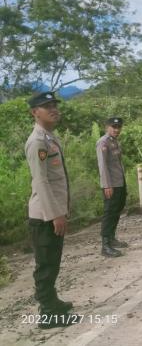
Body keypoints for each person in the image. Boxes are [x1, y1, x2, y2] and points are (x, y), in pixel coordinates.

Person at [25, 91, 77, 329]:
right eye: (47, 106)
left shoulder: (49, 138)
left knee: (52, 262)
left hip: (53, 212)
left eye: (55, 105)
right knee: (45, 265)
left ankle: (53, 302)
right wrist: (55, 214)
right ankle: (47, 313)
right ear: (35, 112)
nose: (54, 109)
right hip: (44, 216)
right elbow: (41, 182)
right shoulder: (37, 142)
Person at [96, 117, 128, 258]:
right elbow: (103, 166)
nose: (116, 129)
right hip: (111, 184)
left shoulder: (114, 141)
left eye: (118, 127)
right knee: (109, 213)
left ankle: (112, 238)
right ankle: (105, 245)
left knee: (117, 211)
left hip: (119, 182)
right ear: (107, 127)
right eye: (114, 127)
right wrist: (107, 185)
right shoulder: (103, 142)